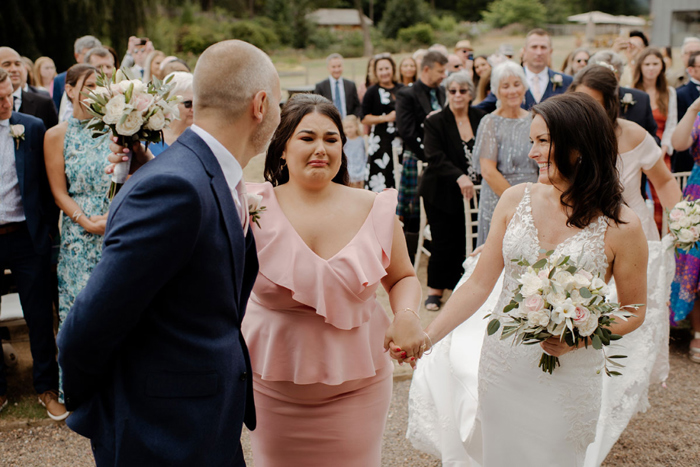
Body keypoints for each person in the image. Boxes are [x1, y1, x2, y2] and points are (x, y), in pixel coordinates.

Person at [57, 40, 281, 465]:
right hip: (163, 436)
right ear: (260, 104)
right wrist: (111, 412)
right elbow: (84, 330)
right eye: (279, 104)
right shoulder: (176, 187)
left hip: (207, 422)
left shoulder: (205, 175)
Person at [401, 92, 648, 467]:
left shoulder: (623, 226)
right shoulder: (515, 199)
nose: (531, 152)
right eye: (531, 140)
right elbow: (480, 285)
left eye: (543, 141)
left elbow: (633, 310)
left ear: (579, 144)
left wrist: (578, 337)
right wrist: (428, 337)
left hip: (569, 375)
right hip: (504, 366)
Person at [243, 93, 421, 466]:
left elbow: (403, 277)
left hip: (358, 391)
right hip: (271, 391)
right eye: (307, 138)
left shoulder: (375, 208)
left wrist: (405, 315)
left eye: (331, 138)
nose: (320, 148)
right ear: (282, 148)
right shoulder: (249, 208)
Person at [570, 64, 681, 467]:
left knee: (630, 319)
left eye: (594, 104)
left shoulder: (633, 135)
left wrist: (684, 219)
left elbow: (665, 183)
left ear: (612, 104)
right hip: (585, 234)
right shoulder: (571, 135)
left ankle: (616, 402)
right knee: (585, 312)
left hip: (634, 233)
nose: (586, 111)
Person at [43, 65, 111, 405]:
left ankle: (117, 387)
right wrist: (85, 221)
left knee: (116, 308)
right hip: (79, 234)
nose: (95, 90)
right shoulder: (57, 135)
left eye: (101, 85)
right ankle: (80, 393)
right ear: (69, 89)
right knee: (78, 313)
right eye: (88, 85)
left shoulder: (117, 129)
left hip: (117, 227)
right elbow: (59, 192)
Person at [0, 68, 63, 420]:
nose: (6, 104)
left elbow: (46, 179)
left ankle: (45, 388)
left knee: (39, 316)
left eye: (10, 95)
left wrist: (46, 232)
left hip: (26, 235)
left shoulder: (30, 126)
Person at [420, 72, 486, 311]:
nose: (458, 95)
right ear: (446, 94)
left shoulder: (481, 117)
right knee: (443, 239)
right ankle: (435, 291)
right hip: (441, 189)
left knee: (467, 239)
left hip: (476, 190)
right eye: (452, 91)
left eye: (463, 90)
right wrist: (459, 176)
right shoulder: (435, 121)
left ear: (470, 93)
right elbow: (434, 156)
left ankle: (462, 287)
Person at [473, 61, 538, 246]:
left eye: (517, 84)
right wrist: (518, 204)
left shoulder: (534, 120)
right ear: (496, 91)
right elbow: (488, 171)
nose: (512, 91)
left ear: (524, 87)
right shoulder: (490, 122)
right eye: (505, 86)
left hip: (533, 197)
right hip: (499, 199)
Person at [395, 51, 447, 260]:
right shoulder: (407, 94)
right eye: (440, 71)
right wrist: (428, 155)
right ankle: (409, 254)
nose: (444, 75)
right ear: (426, 69)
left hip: (442, 158)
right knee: (413, 209)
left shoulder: (443, 91)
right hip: (418, 157)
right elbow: (406, 131)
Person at [633, 47, 678, 231]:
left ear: (662, 66)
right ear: (640, 67)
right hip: (636, 149)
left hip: (661, 151)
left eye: (655, 64)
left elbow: (672, 124)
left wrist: (664, 148)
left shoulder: (669, 92)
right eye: (647, 64)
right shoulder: (632, 91)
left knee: (661, 198)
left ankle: (664, 236)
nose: (651, 68)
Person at [476, 29, 572, 113]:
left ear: (550, 51)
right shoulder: (508, 79)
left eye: (543, 47)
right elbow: (481, 109)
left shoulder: (567, 82)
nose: (539, 52)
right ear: (525, 51)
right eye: (534, 47)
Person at [670, 95, 700, 363]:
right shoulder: (698, 113)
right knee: (695, 261)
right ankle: (698, 332)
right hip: (698, 193)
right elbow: (678, 144)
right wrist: (693, 108)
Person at [588, 50, 659, 143]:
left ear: (619, 77)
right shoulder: (585, 101)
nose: (605, 82)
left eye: (611, 76)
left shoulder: (641, 99)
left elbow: (654, 137)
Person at [361, 54, 403, 191]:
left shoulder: (402, 89)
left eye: (387, 68)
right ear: (375, 72)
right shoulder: (372, 92)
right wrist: (385, 118)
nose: (384, 72)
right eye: (380, 69)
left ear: (393, 69)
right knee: (381, 174)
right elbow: (364, 118)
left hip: (401, 140)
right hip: (381, 141)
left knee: (398, 174)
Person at [0, 47, 58, 130]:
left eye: (17, 64)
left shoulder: (44, 102)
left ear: (25, 68)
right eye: (6, 64)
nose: (14, 69)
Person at [148, 72, 194, 157]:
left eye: (196, 103)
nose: (193, 109)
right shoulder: (149, 141)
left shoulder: (199, 138)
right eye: (188, 103)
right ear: (169, 104)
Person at [51, 35, 101, 111]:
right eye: (87, 55)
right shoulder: (60, 80)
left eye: (95, 55)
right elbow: (56, 110)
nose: (91, 59)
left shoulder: (103, 77)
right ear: (77, 56)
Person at [314, 53, 361, 118]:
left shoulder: (351, 85)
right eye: (333, 67)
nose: (337, 70)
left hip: (347, 123)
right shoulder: (321, 86)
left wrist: (353, 117)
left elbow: (357, 106)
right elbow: (317, 108)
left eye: (339, 66)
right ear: (328, 68)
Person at [342, 114, 366, 188]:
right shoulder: (344, 141)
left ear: (356, 127)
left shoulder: (361, 140)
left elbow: (364, 153)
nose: (349, 129)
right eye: (346, 127)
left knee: (360, 186)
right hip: (349, 166)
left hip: (360, 166)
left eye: (351, 127)